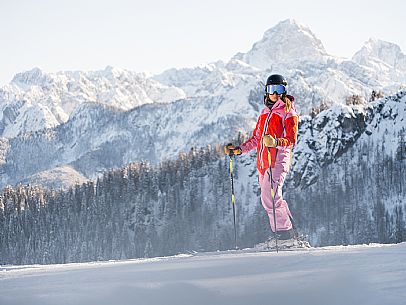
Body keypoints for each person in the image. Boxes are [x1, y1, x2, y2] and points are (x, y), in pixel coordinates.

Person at [224, 74, 299, 241]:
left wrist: (276, 142)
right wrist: (238, 150)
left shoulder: (288, 112)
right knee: (272, 199)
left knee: (269, 198)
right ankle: (290, 233)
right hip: (263, 163)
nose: (276, 94)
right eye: (272, 90)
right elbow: (257, 139)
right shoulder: (265, 113)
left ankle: (284, 236)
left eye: (279, 90)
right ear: (267, 92)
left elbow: (291, 140)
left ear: (284, 91)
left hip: (278, 159)